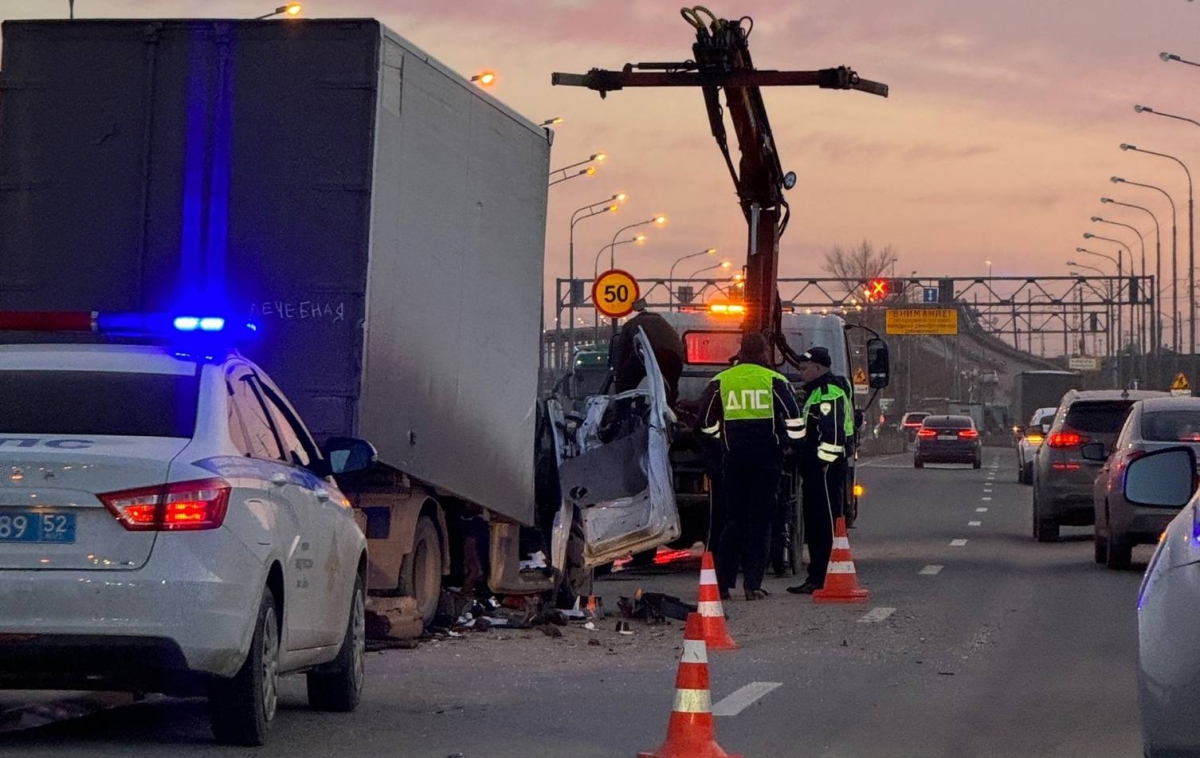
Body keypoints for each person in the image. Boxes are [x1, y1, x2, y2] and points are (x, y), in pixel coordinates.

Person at [696, 332, 804, 600]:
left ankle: (722, 585)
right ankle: (752, 584)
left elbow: (704, 422)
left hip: (733, 459)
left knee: (732, 521)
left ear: (741, 352)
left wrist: (721, 441)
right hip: (767, 460)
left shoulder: (722, 381)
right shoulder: (774, 381)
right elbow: (794, 418)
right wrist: (789, 444)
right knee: (760, 521)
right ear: (765, 353)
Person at [787, 346, 855, 595]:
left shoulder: (828, 392)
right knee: (816, 523)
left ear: (818, 368)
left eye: (805, 368)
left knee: (823, 524)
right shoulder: (818, 391)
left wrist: (821, 462)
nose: (802, 373)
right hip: (818, 468)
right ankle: (817, 575)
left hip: (825, 470)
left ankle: (821, 576)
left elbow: (833, 433)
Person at [610, 302, 685, 408]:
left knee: (625, 384)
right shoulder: (664, 323)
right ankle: (670, 413)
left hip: (651, 354)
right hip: (674, 359)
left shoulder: (631, 324)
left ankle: (622, 411)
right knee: (670, 389)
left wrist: (619, 373)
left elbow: (623, 351)